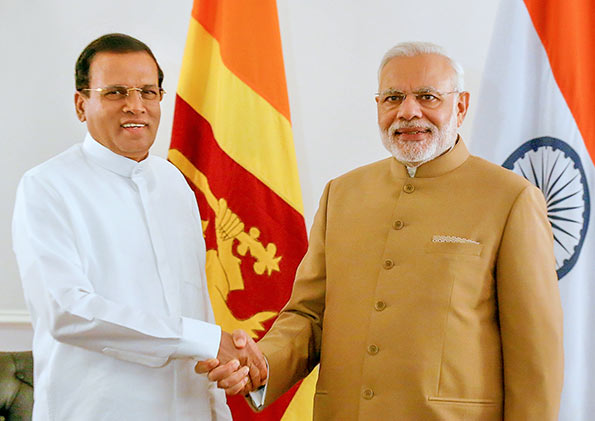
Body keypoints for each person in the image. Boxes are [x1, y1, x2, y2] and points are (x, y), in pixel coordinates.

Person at [199, 41, 564, 420]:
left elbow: (535, 357)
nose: (408, 112)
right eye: (393, 98)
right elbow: (309, 317)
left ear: (460, 106)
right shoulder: (342, 193)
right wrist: (259, 364)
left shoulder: (511, 199)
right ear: (378, 107)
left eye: (427, 97)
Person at [12, 33, 265, 421]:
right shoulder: (46, 186)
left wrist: (218, 401)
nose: (136, 106)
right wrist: (205, 340)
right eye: (116, 92)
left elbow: (195, 306)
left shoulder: (174, 183)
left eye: (148, 91)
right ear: (82, 105)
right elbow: (67, 311)